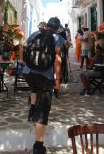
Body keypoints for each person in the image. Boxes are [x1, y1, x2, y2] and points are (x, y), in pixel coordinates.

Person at [21, 17, 63, 154]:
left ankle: (32, 110)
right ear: (57, 28)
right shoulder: (57, 38)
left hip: (28, 74)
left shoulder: (35, 33)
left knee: (34, 88)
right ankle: (38, 147)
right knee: (43, 112)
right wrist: (57, 80)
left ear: (47, 25)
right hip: (44, 76)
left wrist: (25, 63)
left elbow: (23, 47)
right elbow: (57, 59)